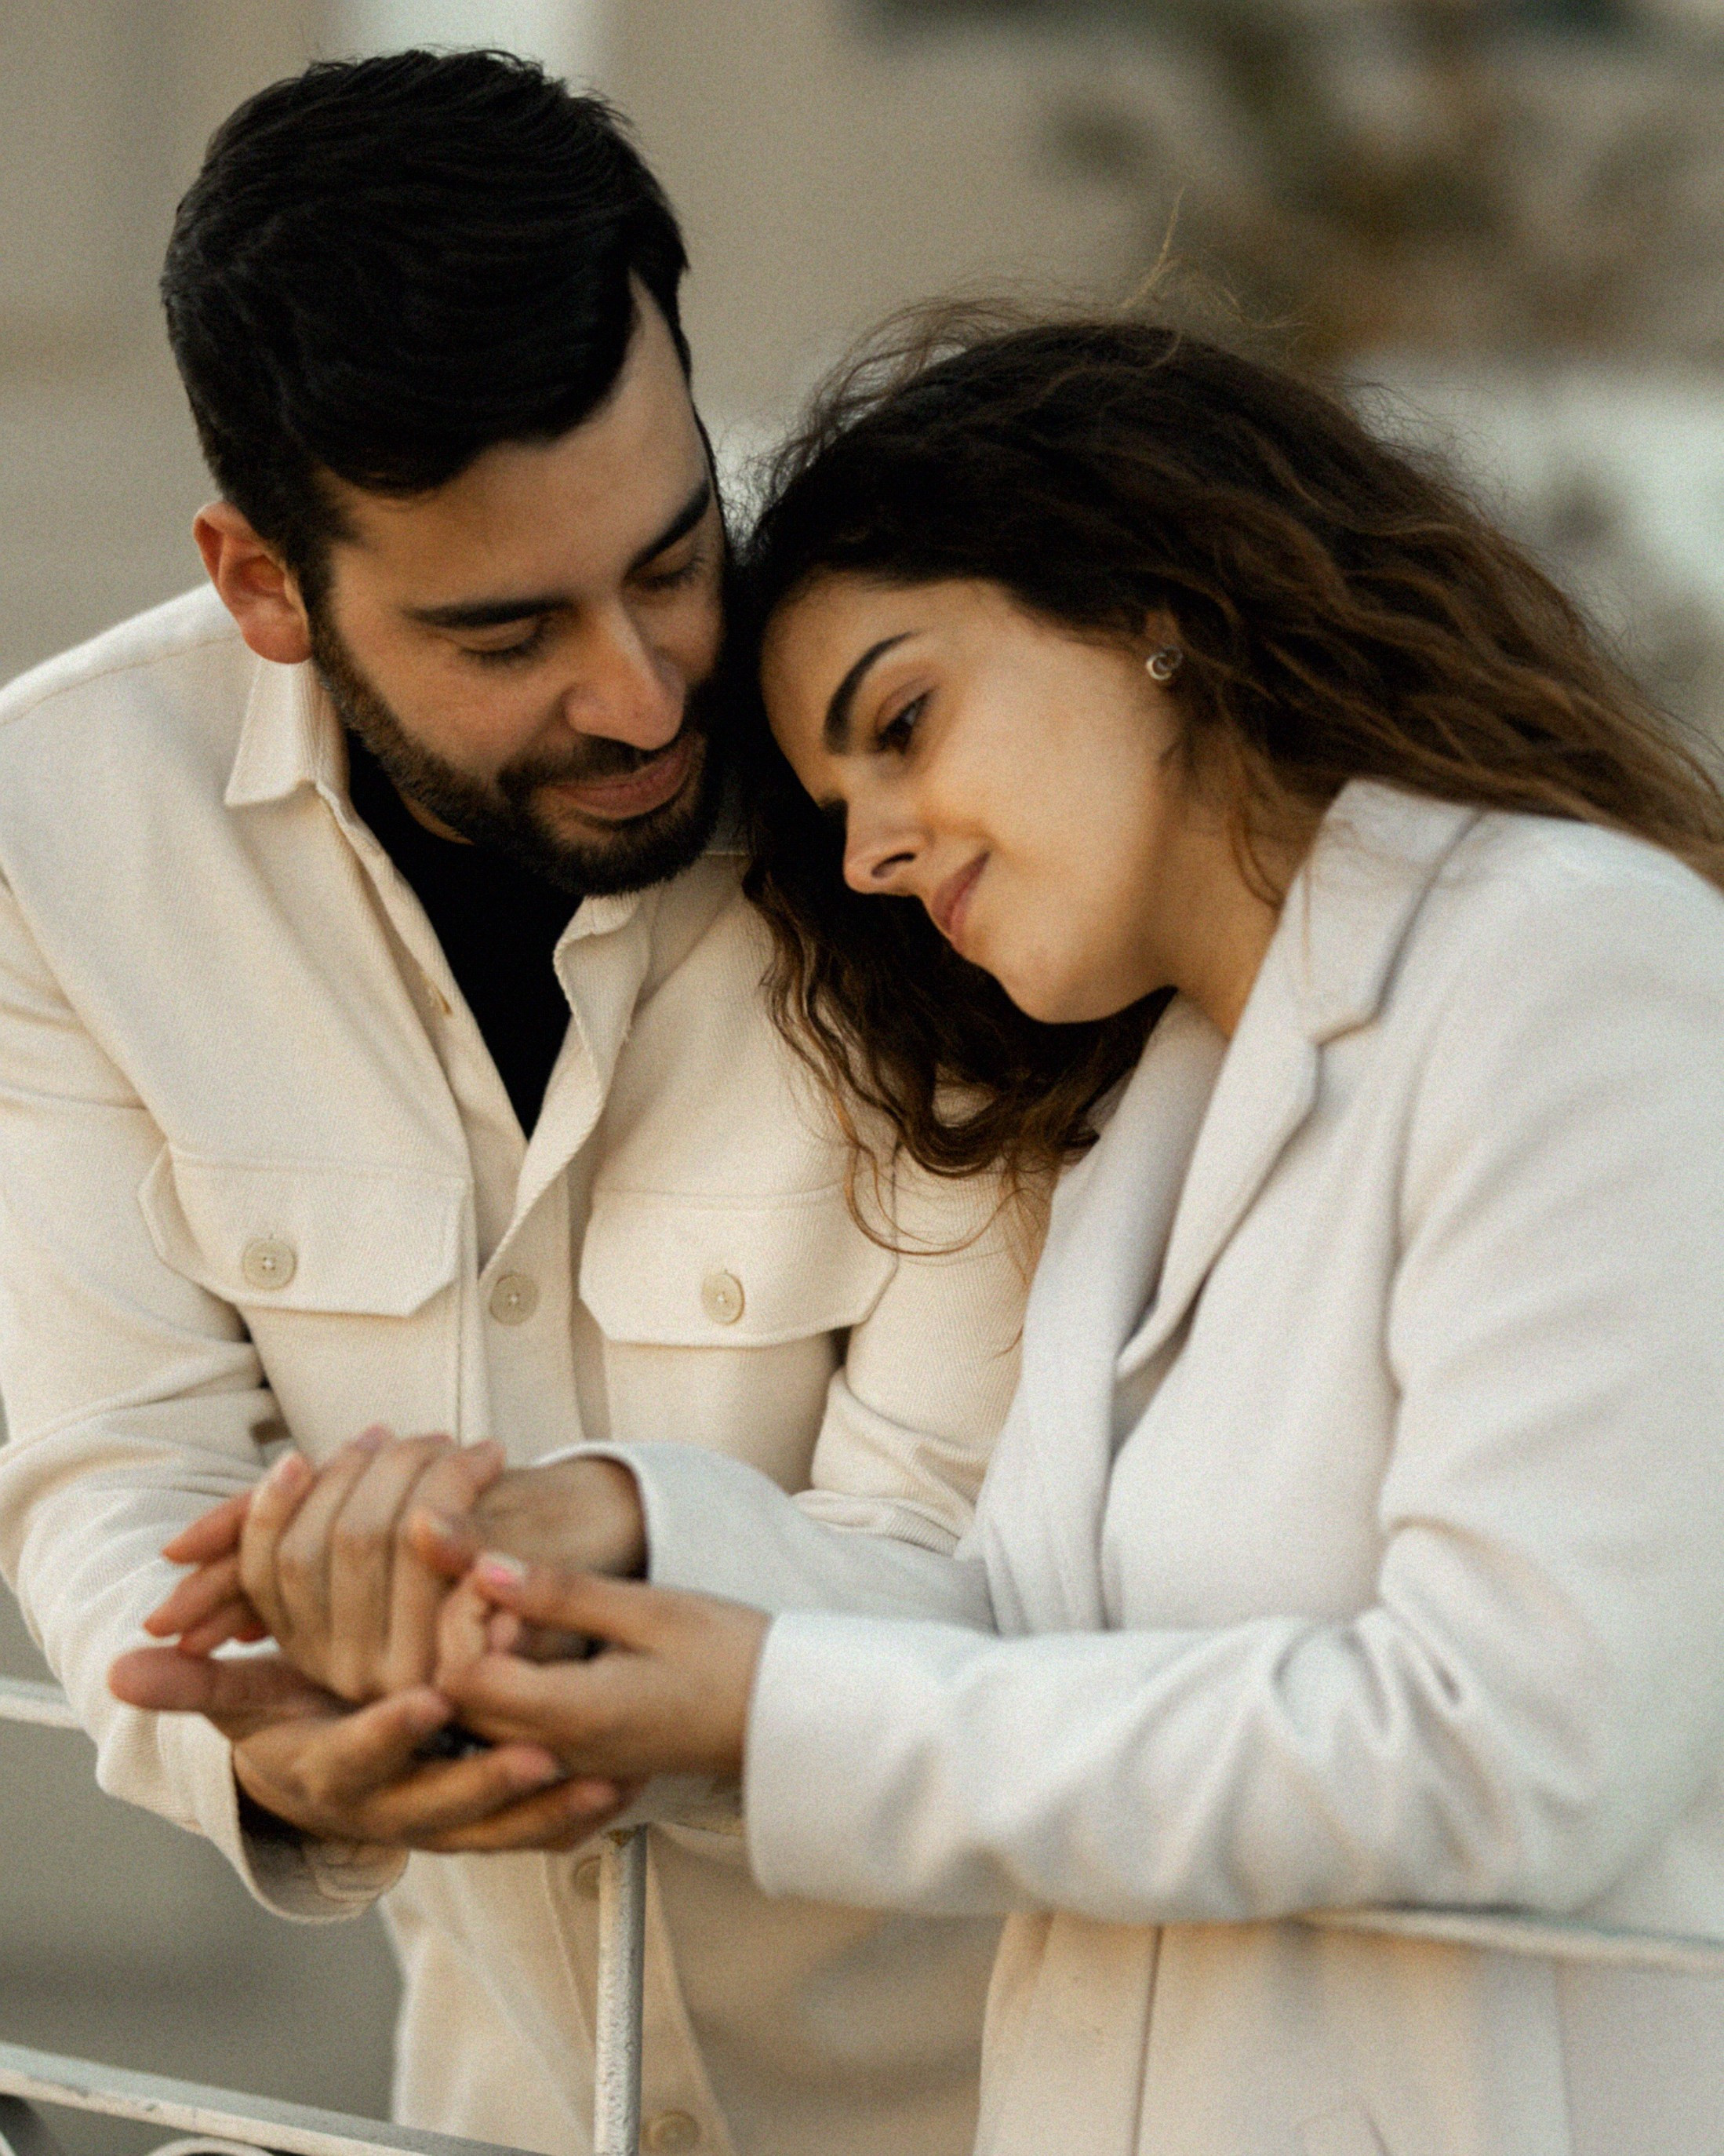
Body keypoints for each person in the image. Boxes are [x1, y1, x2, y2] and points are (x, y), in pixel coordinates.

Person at [393, 312, 1724, 2156]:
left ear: (1154, 608)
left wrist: (778, 1710)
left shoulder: (1572, 960)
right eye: (837, 799)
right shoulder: (1147, 1115)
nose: (865, 851)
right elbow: (1020, 1630)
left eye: (902, 722)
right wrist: (614, 1542)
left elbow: (1511, 1742)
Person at [0, 59, 1031, 2156]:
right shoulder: (59, 829)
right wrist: (267, 1742)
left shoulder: (933, 771)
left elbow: (978, 1548)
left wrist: (598, 1548)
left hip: (1031, 2099)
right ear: (262, 581)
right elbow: (110, 1472)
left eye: (671, 558)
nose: (650, 693)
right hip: (495, 2105)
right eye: (505, 631)